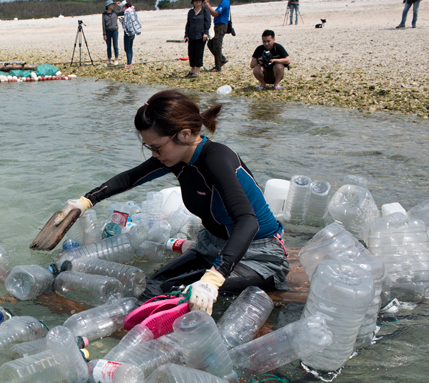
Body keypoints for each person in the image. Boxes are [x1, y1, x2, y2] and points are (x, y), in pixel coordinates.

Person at [55, 90, 289, 314]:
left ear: (184, 134)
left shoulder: (217, 158)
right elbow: (131, 177)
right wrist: (84, 202)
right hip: (211, 245)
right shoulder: (176, 157)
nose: (154, 155)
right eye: (149, 147)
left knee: (176, 293)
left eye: (156, 147)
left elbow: (247, 221)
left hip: (259, 255)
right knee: (152, 286)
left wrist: (212, 280)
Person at [184, 0, 211, 78]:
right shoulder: (191, 12)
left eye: (199, 0)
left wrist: (206, 33)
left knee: (199, 53)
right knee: (191, 53)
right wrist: (186, 35)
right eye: (196, 0)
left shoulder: (205, 10)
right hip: (191, 35)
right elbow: (188, 24)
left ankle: (197, 71)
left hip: (201, 35)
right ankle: (192, 69)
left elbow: (207, 22)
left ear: (202, 1)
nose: (198, 1)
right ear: (193, 2)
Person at [205, 0, 231, 72]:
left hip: (221, 26)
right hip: (219, 26)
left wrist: (208, 6)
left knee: (217, 45)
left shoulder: (224, 2)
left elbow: (215, 14)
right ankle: (222, 59)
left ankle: (218, 67)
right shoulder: (223, 1)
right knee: (211, 44)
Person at [120, 1, 142, 69]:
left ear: (124, 6)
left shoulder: (127, 12)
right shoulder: (132, 10)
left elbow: (126, 22)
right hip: (133, 31)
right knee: (130, 47)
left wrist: (121, 21)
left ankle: (129, 63)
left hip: (128, 32)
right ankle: (130, 62)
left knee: (127, 48)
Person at [102, 0, 121, 65]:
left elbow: (123, 12)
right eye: (111, 5)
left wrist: (120, 5)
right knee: (108, 46)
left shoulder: (115, 12)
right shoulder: (104, 14)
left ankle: (116, 59)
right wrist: (104, 34)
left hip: (115, 31)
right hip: (108, 31)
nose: (112, 6)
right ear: (108, 6)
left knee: (115, 45)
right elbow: (103, 24)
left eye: (113, 4)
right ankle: (109, 59)